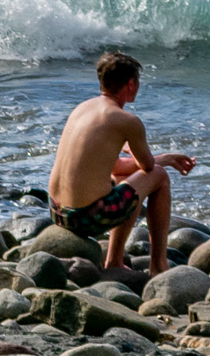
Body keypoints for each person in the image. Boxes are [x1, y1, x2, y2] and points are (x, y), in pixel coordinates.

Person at [47, 50, 194, 276]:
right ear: (131, 84)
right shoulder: (127, 121)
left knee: (126, 180)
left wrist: (132, 155)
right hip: (85, 218)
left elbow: (114, 168)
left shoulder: (83, 108)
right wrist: (166, 159)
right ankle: (159, 265)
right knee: (161, 176)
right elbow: (148, 168)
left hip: (58, 212)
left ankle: (114, 260)